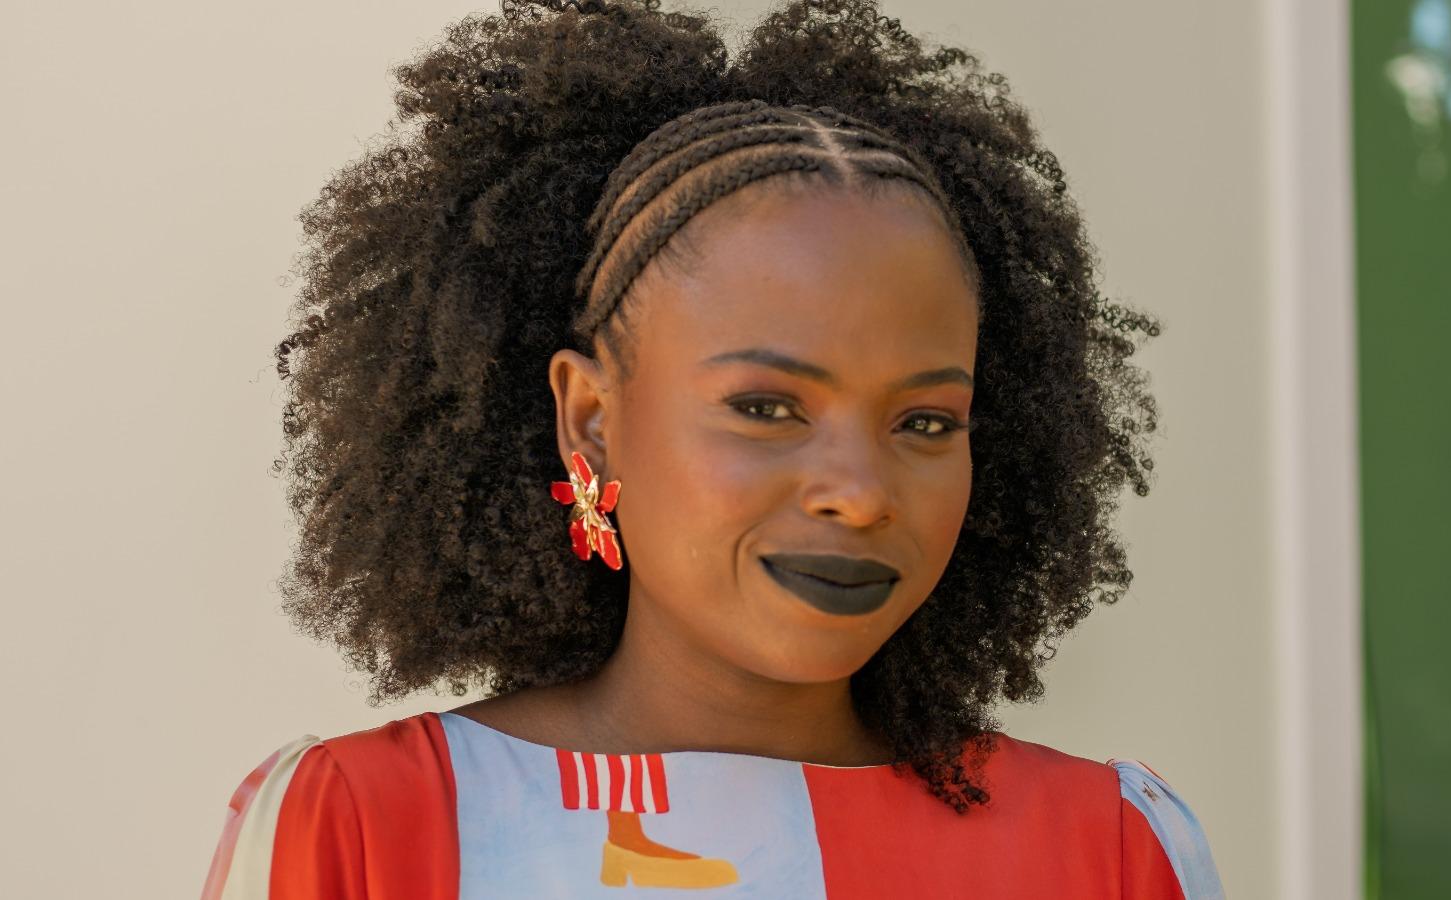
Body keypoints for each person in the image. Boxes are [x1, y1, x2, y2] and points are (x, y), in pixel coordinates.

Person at [199, 0, 1224, 896]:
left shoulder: (1106, 850)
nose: (860, 494)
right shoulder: (366, 828)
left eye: (924, 423)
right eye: (768, 408)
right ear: (590, 420)